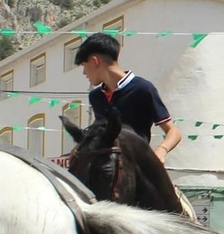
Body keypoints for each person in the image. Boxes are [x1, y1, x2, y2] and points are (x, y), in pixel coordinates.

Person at [75, 32, 183, 164]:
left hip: (137, 166)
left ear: (94, 61)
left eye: (84, 65)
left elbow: (173, 131)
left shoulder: (143, 89)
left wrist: (162, 149)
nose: (84, 73)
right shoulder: (96, 97)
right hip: (107, 166)